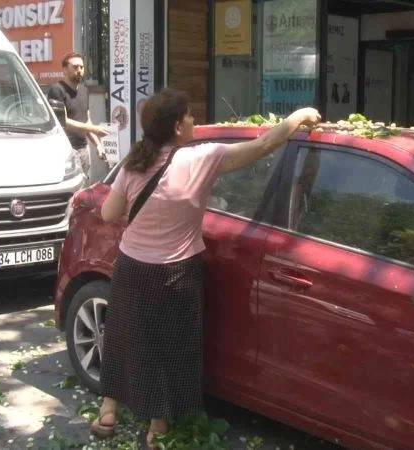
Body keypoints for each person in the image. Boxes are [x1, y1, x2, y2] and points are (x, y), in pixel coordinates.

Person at [90, 88, 321, 447]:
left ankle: (108, 409)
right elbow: (264, 145)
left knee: (123, 337)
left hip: (132, 268)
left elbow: (108, 213)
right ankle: (157, 426)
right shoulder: (203, 157)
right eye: (189, 115)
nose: (194, 120)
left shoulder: (134, 161)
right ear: (177, 127)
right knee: (164, 348)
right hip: (175, 273)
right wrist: (299, 116)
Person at [47, 52, 108, 182]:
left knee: (84, 187)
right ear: (64, 69)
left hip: (83, 149)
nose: (79, 70)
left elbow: (87, 121)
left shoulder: (84, 90)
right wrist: (95, 129)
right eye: (75, 67)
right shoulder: (57, 90)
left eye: (81, 67)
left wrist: (98, 145)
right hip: (66, 149)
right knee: (71, 187)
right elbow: (63, 121)